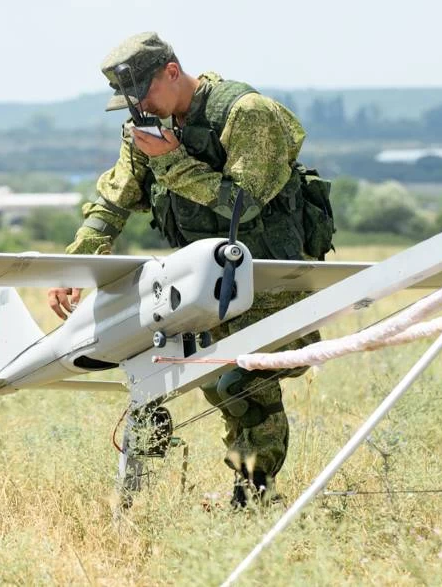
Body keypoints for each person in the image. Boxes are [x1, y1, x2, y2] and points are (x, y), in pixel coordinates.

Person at [47, 31, 334, 507]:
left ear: (173, 72)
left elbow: (242, 204)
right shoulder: (148, 128)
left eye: (145, 94)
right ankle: (249, 497)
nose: (140, 108)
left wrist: (173, 161)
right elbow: (112, 200)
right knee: (216, 387)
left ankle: (253, 498)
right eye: (131, 101)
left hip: (273, 281)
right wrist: (75, 263)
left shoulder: (246, 114)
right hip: (204, 289)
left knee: (241, 382)